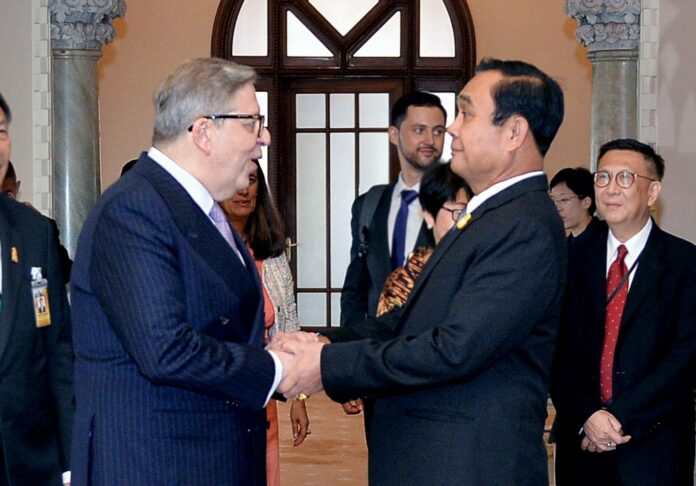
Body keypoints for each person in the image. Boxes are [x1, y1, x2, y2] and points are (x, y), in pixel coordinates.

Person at [272, 57, 567, 485]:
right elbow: (407, 323)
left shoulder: (523, 224)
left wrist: (327, 364)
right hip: (436, 459)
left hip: (466, 465)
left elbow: (454, 348)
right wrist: (324, 340)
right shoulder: (489, 215)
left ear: (514, 132)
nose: (452, 129)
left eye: (466, 112)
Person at [69, 58, 295, 485]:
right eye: (252, 123)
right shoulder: (134, 210)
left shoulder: (201, 210)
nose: (263, 139)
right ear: (204, 131)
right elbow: (165, 349)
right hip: (157, 464)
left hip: (206, 458)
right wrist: (274, 369)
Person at [550, 138, 696, 485]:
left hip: (653, 448)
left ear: (652, 191)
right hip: (581, 447)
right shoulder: (570, 261)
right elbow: (553, 349)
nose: (611, 189)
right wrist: (588, 415)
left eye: (625, 178)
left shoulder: (684, 264)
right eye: (603, 177)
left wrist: (615, 419)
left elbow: (684, 358)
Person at [220, 160, 309, 486]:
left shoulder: (270, 253)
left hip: (262, 391)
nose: (244, 189)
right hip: (217, 391)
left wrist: (298, 399)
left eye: (253, 179)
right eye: (237, 179)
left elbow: (287, 323)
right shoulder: (204, 246)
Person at [0, 92, 73, 485]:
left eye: (0, 132)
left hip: (29, 462)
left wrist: (69, 460)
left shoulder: (32, 232)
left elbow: (58, 352)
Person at [324, 161, 471, 345]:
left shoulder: (481, 263)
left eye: (470, 211)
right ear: (428, 214)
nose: (465, 221)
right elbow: (391, 322)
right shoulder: (418, 268)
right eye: (458, 212)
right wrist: (328, 340)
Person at [340, 91, 446, 328]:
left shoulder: (456, 204)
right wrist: (352, 337)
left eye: (438, 131)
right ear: (394, 134)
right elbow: (355, 285)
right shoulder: (368, 205)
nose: (430, 140)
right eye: (419, 130)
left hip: (434, 346)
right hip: (375, 348)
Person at [2, 160, 73, 282]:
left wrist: (38, 225)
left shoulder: (37, 228)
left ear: (17, 188)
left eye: (7, 195)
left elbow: (65, 272)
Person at [549, 166, 605, 243]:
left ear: (586, 202)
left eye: (564, 199)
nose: (557, 208)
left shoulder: (608, 236)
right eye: (553, 201)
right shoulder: (563, 248)